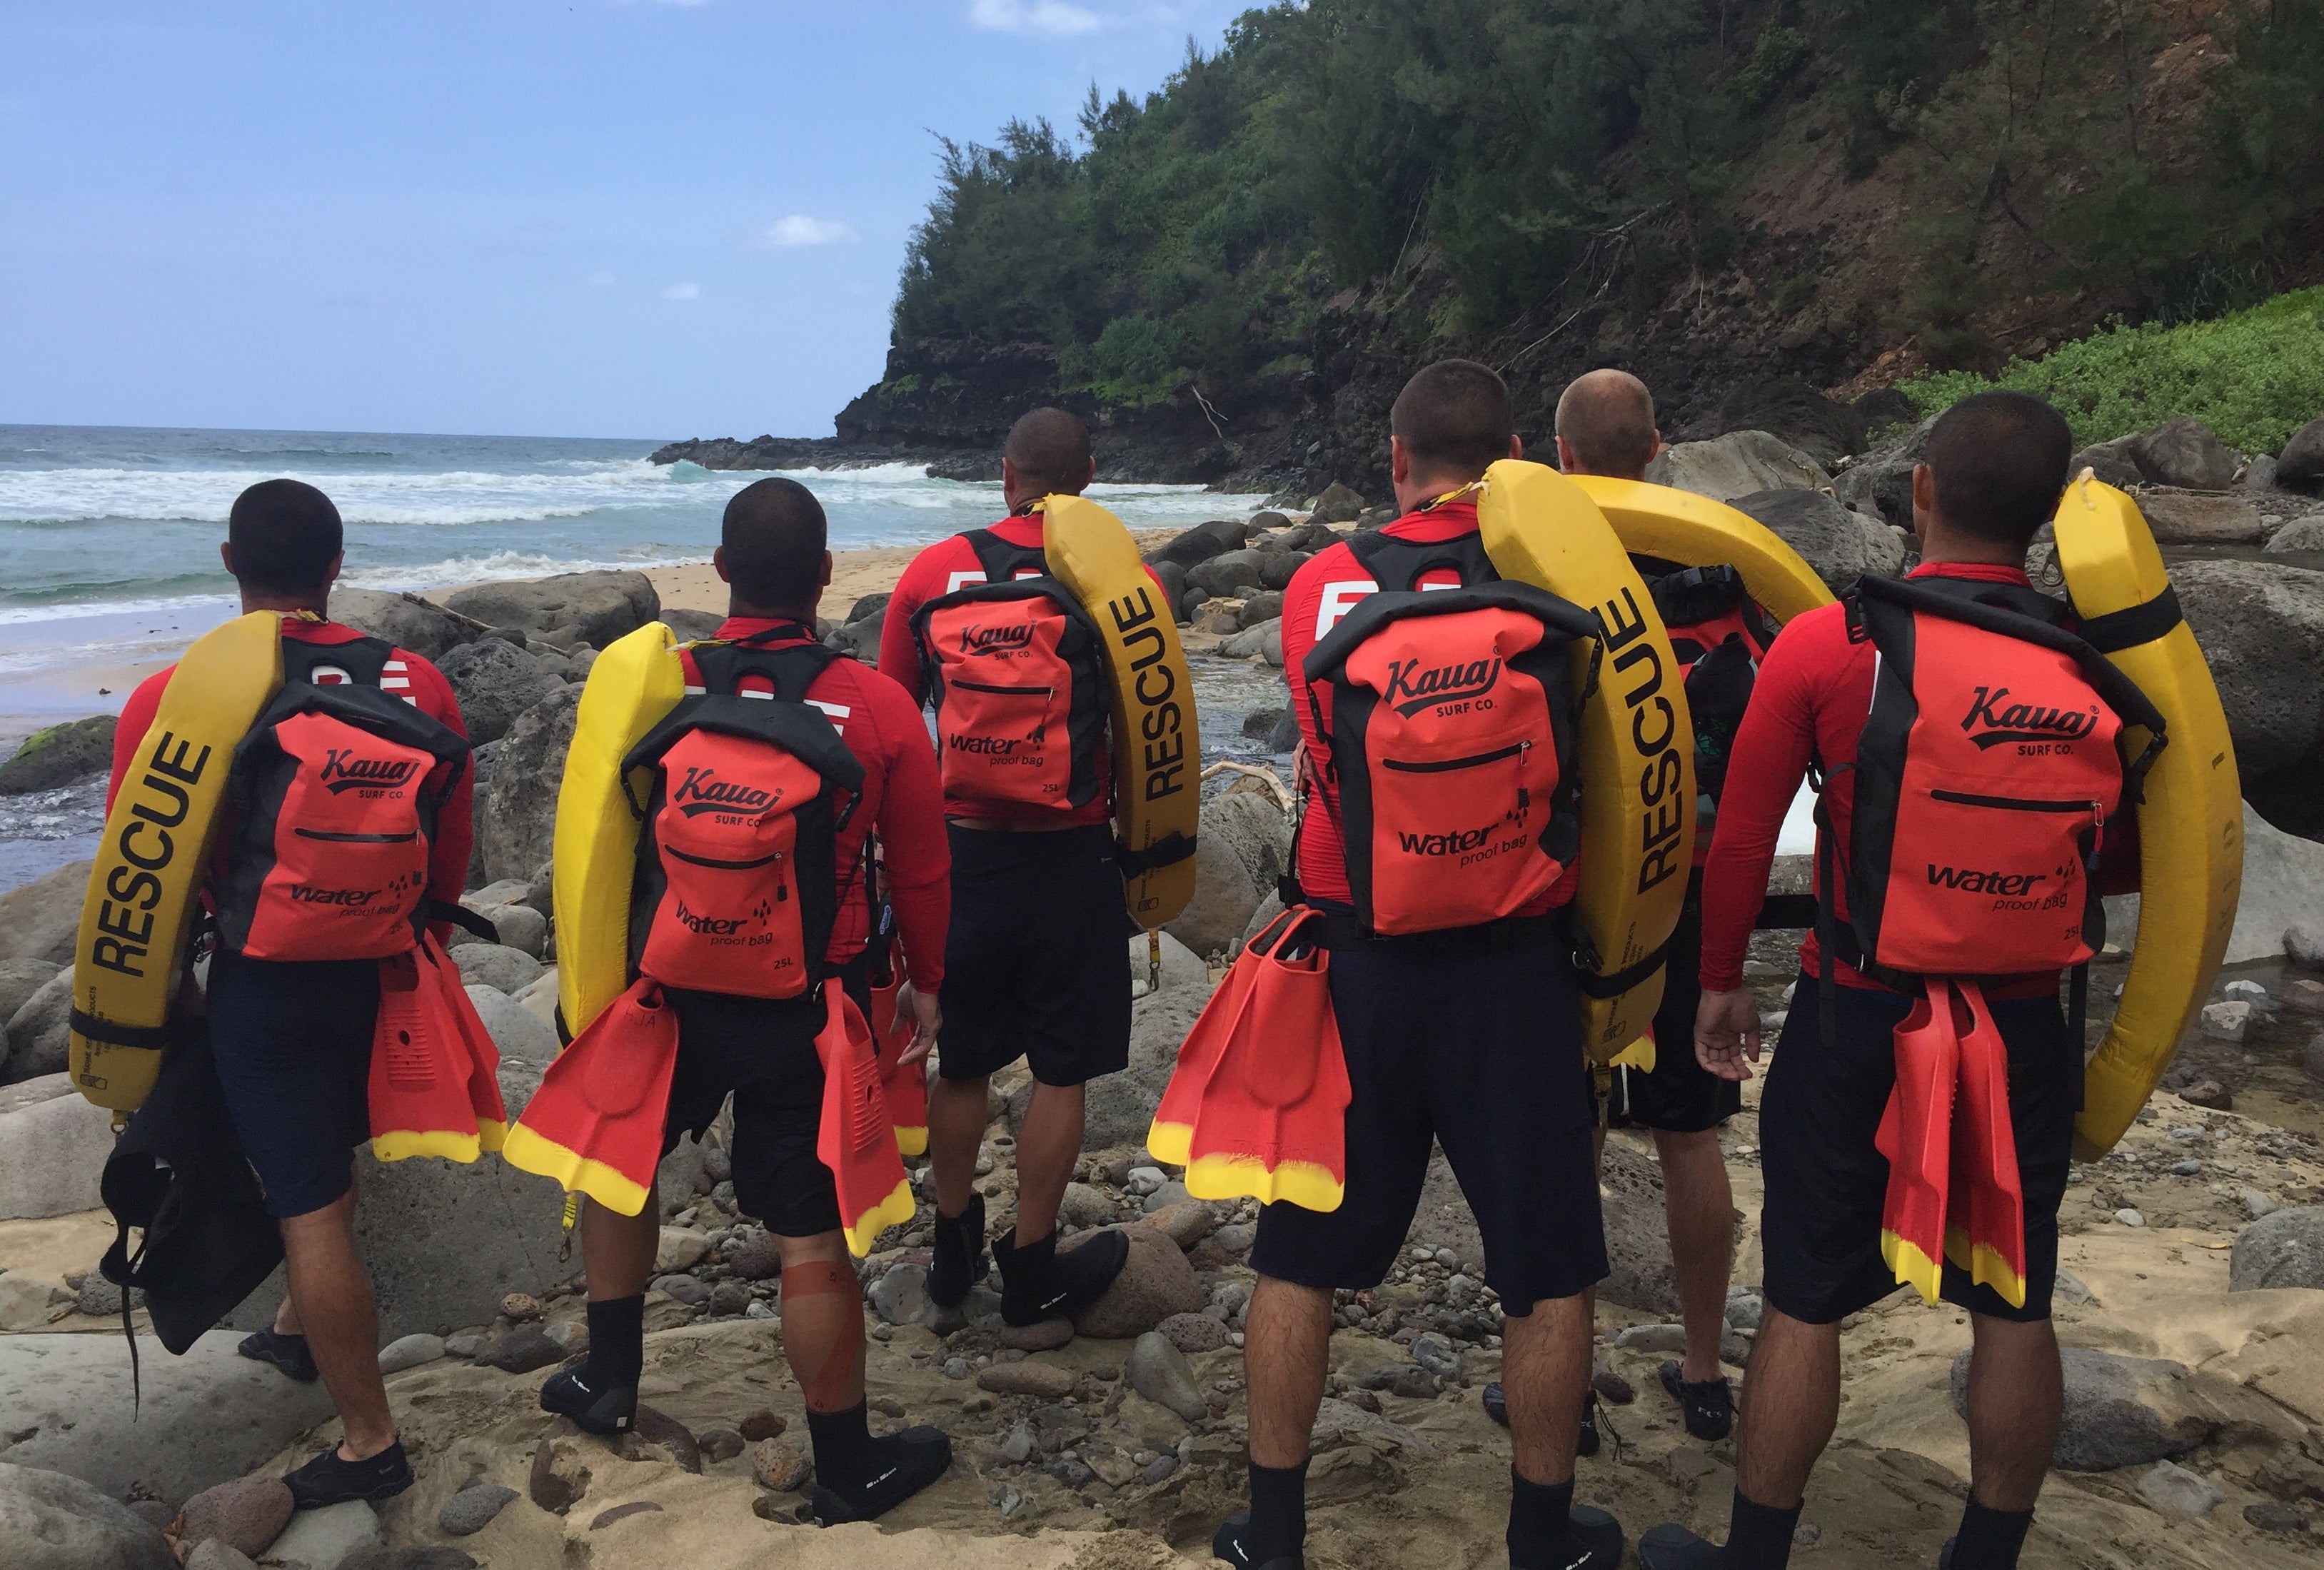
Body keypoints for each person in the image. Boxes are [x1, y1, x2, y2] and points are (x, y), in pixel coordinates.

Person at [1639, 393, 2122, 1570]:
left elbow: (1745, 839)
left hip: (1861, 1011)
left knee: (1805, 1292)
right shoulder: (2095, 665)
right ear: (2048, 518)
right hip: (2019, 1024)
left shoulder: (1831, 643)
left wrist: (1716, 985)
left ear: (1919, 493)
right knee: (2015, 1296)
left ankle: (1756, 1551)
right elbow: (2126, 857)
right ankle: (1986, 1552)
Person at [1216, 360, 1621, 1570]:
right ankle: (1541, 1534)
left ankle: (1275, 1528)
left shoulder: (1318, 584)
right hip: (1515, 960)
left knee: (1300, 1251)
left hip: (1358, 962)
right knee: (1546, 1264)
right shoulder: (1555, 569)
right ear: (1515, 462)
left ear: (1395, 462)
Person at [540, 477, 955, 1524]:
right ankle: (846, 1462)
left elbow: (594, 846)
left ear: (719, 572)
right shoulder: (875, 704)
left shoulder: (661, 685)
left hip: (666, 992)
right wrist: (930, 983)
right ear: (824, 576)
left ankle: (609, 1379)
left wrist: (587, 989)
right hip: (809, 1007)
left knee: (624, 1170)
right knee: (808, 1236)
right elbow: (922, 870)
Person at [106, 478, 474, 1508]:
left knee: (308, 1206)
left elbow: (140, 871)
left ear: (229, 563)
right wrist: (416, 940)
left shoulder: (171, 699)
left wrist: (164, 991)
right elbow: (449, 845)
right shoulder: (417, 687)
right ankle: (290, 1332)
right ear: (335, 567)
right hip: (381, 968)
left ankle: (369, 1439)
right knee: (313, 1158)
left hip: (261, 980)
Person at [877, 408, 1136, 1325]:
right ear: (1091, 477)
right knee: (1061, 1071)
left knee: (961, 1063)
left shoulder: (929, 573)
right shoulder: (1113, 576)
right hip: (1072, 853)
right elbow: (1154, 728)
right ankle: (1031, 1264)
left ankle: (951, 1248)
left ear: (1004, 476)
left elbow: (897, 727)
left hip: (964, 857)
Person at [1554, 367, 1751, 1441]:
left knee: (1571, 1135)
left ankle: (1563, 1377)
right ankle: (1703, 1364)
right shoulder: (1721, 562)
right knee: (1688, 1134)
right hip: (1694, 884)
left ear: (1561, 458)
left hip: (1582, 894)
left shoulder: (1541, 562)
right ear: (1657, 446)